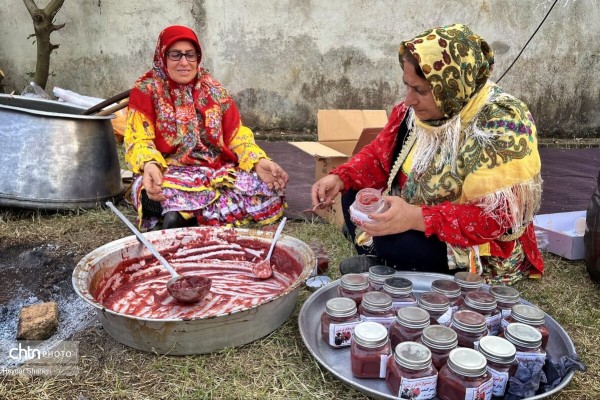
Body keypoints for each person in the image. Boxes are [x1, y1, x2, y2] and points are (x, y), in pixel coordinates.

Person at [311, 23, 544, 284]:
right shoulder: (412, 112)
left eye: (420, 90)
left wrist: (414, 217)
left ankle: (392, 261)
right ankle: (389, 262)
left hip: (473, 241)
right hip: (416, 211)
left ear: (450, 87)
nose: (408, 100)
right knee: (354, 195)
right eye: (407, 86)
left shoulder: (502, 124)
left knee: (394, 243)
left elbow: (495, 219)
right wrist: (340, 177)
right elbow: (379, 157)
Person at [124, 25, 288, 230]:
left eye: (190, 55)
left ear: (198, 57)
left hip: (214, 171)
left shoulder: (213, 89)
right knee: (156, 188)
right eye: (175, 55)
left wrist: (258, 160)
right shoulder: (146, 89)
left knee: (266, 188)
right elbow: (138, 140)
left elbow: (237, 135)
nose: (184, 62)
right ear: (163, 56)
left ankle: (183, 215)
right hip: (170, 171)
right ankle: (180, 212)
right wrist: (149, 165)